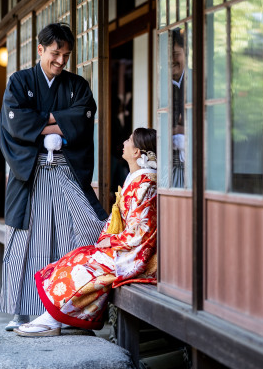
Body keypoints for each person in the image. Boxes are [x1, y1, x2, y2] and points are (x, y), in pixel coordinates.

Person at [0, 22, 109, 330]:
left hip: (66, 170)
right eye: (55, 53)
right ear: (40, 50)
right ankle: (22, 311)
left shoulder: (77, 86)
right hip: (30, 173)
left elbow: (83, 120)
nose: (61, 61)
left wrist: (41, 121)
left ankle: (69, 311)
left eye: (66, 55)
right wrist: (59, 120)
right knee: (25, 241)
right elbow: (15, 124)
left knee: (81, 233)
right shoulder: (20, 82)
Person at [16, 128, 158, 336]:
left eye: (129, 140)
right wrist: (109, 239)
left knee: (86, 267)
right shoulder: (137, 180)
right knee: (79, 256)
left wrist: (112, 242)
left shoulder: (146, 185)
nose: (124, 143)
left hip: (137, 255)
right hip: (127, 246)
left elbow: (141, 231)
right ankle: (64, 316)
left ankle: (53, 319)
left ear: (137, 152)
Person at [170, 27, 186, 188]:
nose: (172, 60)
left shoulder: (197, 80)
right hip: (169, 162)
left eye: (175, 54)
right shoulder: (163, 84)